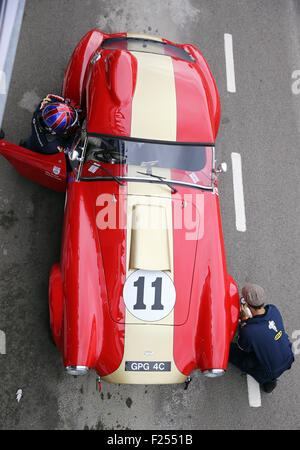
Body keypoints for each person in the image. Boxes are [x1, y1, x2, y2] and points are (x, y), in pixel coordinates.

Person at [229, 283, 294, 393]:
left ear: (247, 304)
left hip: (270, 370)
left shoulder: (249, 330)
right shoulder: (273, 309)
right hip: (288, 356)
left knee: (231, 351)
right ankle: (270, 379)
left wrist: (245, 320)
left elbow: (243, 346)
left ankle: (268, 382)